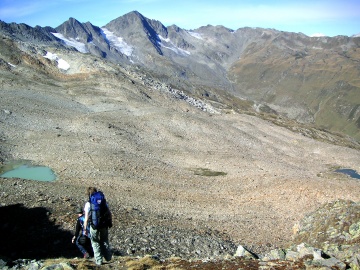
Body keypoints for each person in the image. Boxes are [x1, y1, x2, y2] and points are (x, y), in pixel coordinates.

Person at [83, 187, 112, 266]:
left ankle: (99, 260)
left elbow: (86, 218)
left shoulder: (88, 204)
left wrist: (85, 229)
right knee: (104, 240)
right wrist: (110, 222)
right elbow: (109, 213)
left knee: (95, 242)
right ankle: (108, 257)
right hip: (104, 224)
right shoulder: (103, 202)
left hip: (94, 226)